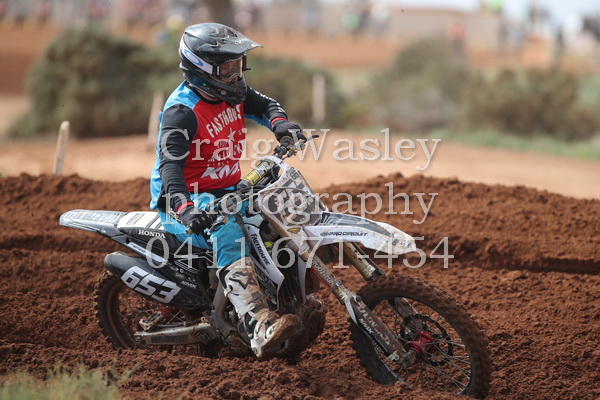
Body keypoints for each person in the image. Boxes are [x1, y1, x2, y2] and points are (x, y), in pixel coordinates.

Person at [149, 22, 305, 357]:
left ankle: (290, 297)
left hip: (228, 189)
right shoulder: (182, 111)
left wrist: (282, 125)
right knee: (229, 228)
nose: (236, 74)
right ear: (201, 68)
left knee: (275, 213)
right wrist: (185, 208)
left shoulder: (230, 92)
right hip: (185, 198)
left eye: (238, 64)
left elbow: (266, 105)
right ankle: (255, 323)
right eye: (227, 67)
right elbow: (169, 168)